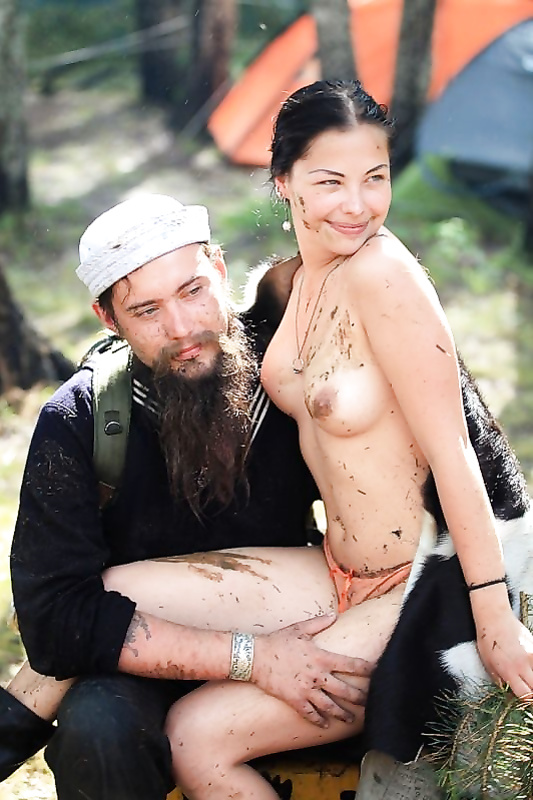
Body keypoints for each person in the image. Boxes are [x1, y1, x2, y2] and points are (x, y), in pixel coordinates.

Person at [37, 79, 529, 800]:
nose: (356, 205)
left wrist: (494, 615)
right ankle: (14, 722)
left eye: (375, 177)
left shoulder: (385, 275)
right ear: (283, 183)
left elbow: (457, 449)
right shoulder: (292, 285)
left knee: (196, 736)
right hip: (335, 572)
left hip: (422, 580)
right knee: (107, 592)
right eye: (330, 182)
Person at [3, 193, 372, 799]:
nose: (181, 329)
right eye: (146, 310)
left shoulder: (291, 376)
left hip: (297, 631)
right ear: (108, 318)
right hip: (139, 659)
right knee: (98, 727)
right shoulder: (83, 419)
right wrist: (249, 657)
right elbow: (55, 621)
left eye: (193, 290)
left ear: (220, 270)